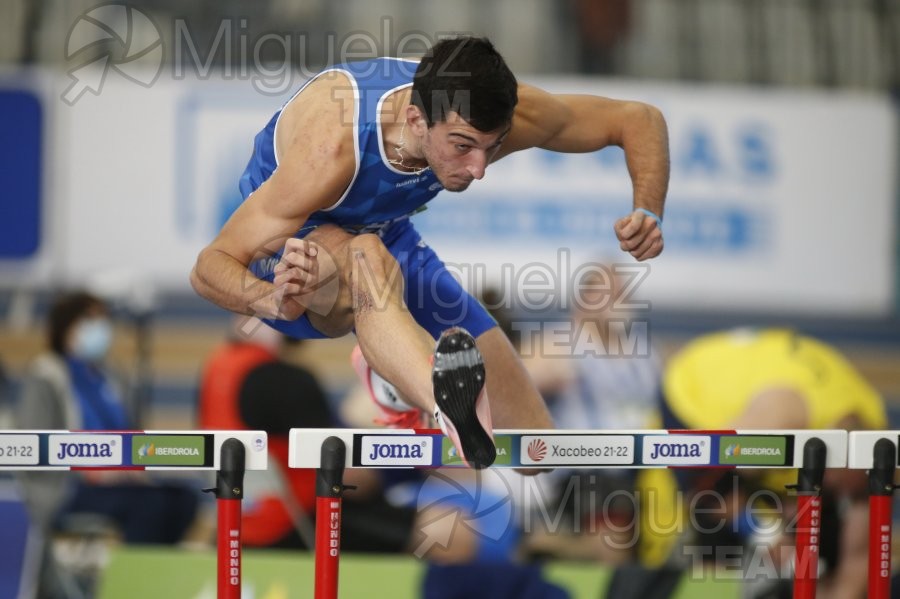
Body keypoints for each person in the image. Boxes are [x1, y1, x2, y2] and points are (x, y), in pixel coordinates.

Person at [190, 36, 670, 468]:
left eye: (492, 147)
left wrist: (648, 211)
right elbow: (210, 267)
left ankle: (394, 384)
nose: (479, 168)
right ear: (416, 120)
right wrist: (267, 299)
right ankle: (433, 395)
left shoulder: (483, 116)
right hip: (294, 253)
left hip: (390, 237)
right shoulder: (332, 147)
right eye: (463, 147)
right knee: (364, 258)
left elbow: (637, 120)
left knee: (531, 449)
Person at [630, 328, 886, 599]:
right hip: (695, 394)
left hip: (773, 394)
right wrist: (771, 537)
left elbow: (859, 557)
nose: (846, 496)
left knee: (820, 533)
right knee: (710, 511)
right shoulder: (779, 416)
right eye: (840, 487)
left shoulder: (875, 443)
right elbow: (711, 484)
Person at [14, 291, 200, 598]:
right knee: (149, 508)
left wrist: (131, 467)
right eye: (90, 321)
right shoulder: (45, 377)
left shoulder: (110, 376)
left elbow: (129, 435)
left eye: (102, 320)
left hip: (118, 482)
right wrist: (87, 468)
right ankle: (131, 589)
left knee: (182, 499)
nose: (99, 328)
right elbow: (33, 446)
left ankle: (148, 582)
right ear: (67, 327)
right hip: (69, 487)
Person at [198, 316, 416, 553]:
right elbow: (354, 479)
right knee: (443, 531)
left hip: (234, 528)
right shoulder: (288, 381)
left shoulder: (215, 370)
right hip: (296, 525)